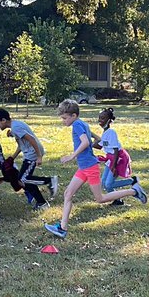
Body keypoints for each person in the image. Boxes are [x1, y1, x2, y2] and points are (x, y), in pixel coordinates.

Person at [44, 100, 140, 239]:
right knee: (68, 194)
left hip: (89, 167)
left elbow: (86, 142)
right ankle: (62, 228)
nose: (63, 121)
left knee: (100, 198)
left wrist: (72, 156)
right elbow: (96, 138)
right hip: (84, 167)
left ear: (73, 115)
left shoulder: (77, 125)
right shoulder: (82, 123)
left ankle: (134, 191)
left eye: (65, 118)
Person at [0, 108, 56, 210]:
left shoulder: (16, 127)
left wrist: (39, 156)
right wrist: (12, 158)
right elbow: (21, 145)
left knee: (23, 179)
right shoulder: (15, 127)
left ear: (3, 120)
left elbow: (32, 139)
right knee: (22, 180)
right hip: (29, 154)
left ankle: (49, 181)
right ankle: (41, 203)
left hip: (33, 154)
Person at [94, 108, 147, 204]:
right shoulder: (105, 133)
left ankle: (132, 182)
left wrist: (114, 167)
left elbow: (115, 150)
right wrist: (89, 140)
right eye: (99, 118)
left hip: (118, 158)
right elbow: (100, 145)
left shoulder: (111, 133)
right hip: (111, 158)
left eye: (103, 118)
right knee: (104, 183)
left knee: (109, 184)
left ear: (109, 120)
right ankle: (117, 200)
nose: (100, 121)